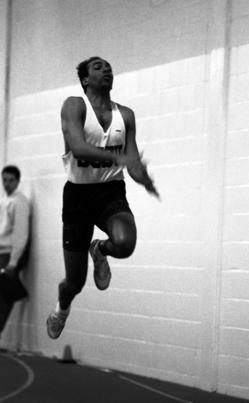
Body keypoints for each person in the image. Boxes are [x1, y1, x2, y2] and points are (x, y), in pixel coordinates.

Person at [46, 56, 159, 339]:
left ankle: (100, 250)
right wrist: (118, 157)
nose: (106, 68)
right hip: (78, 197)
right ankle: (61, 308)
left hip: (110, 191)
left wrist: (142, 177)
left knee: (125, 243)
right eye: (98, 66)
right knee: (75, 282)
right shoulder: (74, 105)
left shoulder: (127, 115)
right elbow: (79, 148)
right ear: (85, 79)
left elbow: (131, 160)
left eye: (108, 65)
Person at [0, 165, 30, 334]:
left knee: (3, 296)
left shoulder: (20, 202)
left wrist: (13, 261)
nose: (7, 184)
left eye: (11, 180)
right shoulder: (5, 200)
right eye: (4, 180)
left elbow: (20, 232)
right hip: (2, 252)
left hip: (10, 253)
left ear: (18, 181)